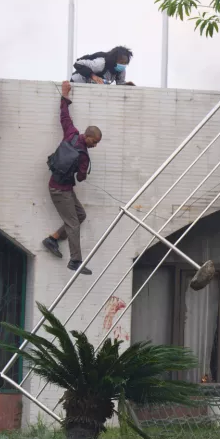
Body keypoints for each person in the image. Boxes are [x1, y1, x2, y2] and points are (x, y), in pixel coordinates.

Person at [41, 81, 102, 274]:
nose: (95, 145)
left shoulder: (72, 133)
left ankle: (53, 239)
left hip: (61, 188)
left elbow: (64, 115)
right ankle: (75, 261)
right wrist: (82, 169)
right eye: (96, 141)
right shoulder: (83, 156)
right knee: (73, 223)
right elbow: (81, 178)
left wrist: (65, 94)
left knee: (81, 215)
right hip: (60, 191)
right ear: (90, 136)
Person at [70, 47, 134, 85]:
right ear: (114, 59)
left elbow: (120, 84)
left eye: (125, 63)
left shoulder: (121, 70)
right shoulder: (101, 63)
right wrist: (93, 76)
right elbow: (77, 64)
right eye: (121, 62)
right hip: (78, 82)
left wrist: (126, 85)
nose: (122, 65)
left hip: (92, 87)